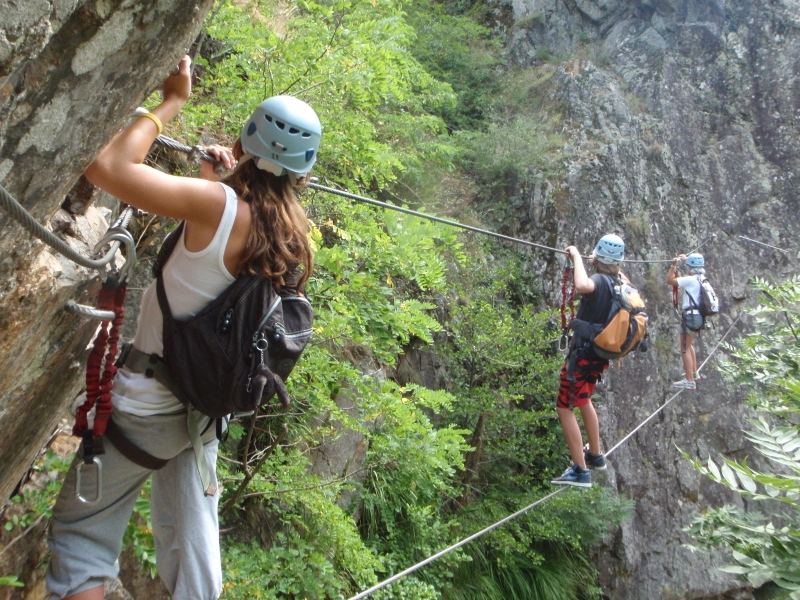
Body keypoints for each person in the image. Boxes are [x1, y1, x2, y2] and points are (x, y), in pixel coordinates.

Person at [46, 55, 319, 600]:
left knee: (82, 537)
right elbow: (221, 281)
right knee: (194, 562)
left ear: (243, 143)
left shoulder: (215, 205)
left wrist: (172, 100)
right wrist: (214, 185)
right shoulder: (292, 232)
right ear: (303, 170)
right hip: (198, 413)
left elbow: (108, 169)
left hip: (148, 406)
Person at [551, 234, 627, 488]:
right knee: (583, 399)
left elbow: (583, 285)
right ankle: (595, 454)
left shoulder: (598, 281)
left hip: (583, 356)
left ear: (596, 256)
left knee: (564, 407)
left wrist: (575, 254)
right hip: (599, 357)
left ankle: (580, 470)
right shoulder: (620, 282)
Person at [666, 252, 705, 390]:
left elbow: (670, 280)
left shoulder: (690, 280)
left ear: (691, 268)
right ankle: (694, 373)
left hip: (691, 317)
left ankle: (690, 381)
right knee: (689, 344)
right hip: (699, 317)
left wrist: (673, 265)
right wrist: (685, 259)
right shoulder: (702, 279)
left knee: (684, 348)